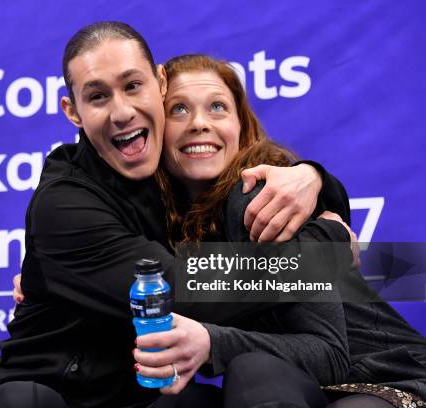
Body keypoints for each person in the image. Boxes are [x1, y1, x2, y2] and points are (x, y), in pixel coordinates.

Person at [0, 22, 351, 408]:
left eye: (133, 86)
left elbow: (401, 272)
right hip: (56, 397)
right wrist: (325, 252)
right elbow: (180, 290)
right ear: (73, 112)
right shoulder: (64, 203)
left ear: (160, 82)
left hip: (145, 398)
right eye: (98, 96)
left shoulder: (176, 172)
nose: (122, 112)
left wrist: (315, 179)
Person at [132, 54, 426, 407]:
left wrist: (210, 341)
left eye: (218, 108)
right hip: (304, 387)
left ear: (241, 127)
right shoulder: (161, 222)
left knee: (255, 372)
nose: (199, 123)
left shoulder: (256, 200)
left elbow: (329, 353)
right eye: (178, 109)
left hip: (385, 377)